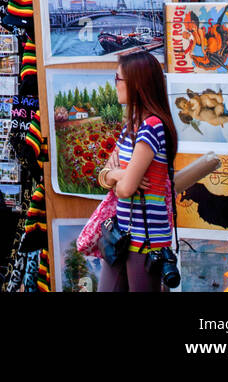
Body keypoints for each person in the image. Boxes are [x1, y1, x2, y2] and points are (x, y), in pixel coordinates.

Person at [99, 49, 178, 293]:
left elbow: (125, 190)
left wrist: (119, 178)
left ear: (135, 83)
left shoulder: (151, 128)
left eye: (117, 79)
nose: (115, 85)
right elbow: (105, 176)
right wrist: (120, 174)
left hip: (146, 241)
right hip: (123, 236)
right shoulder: (131, 127)